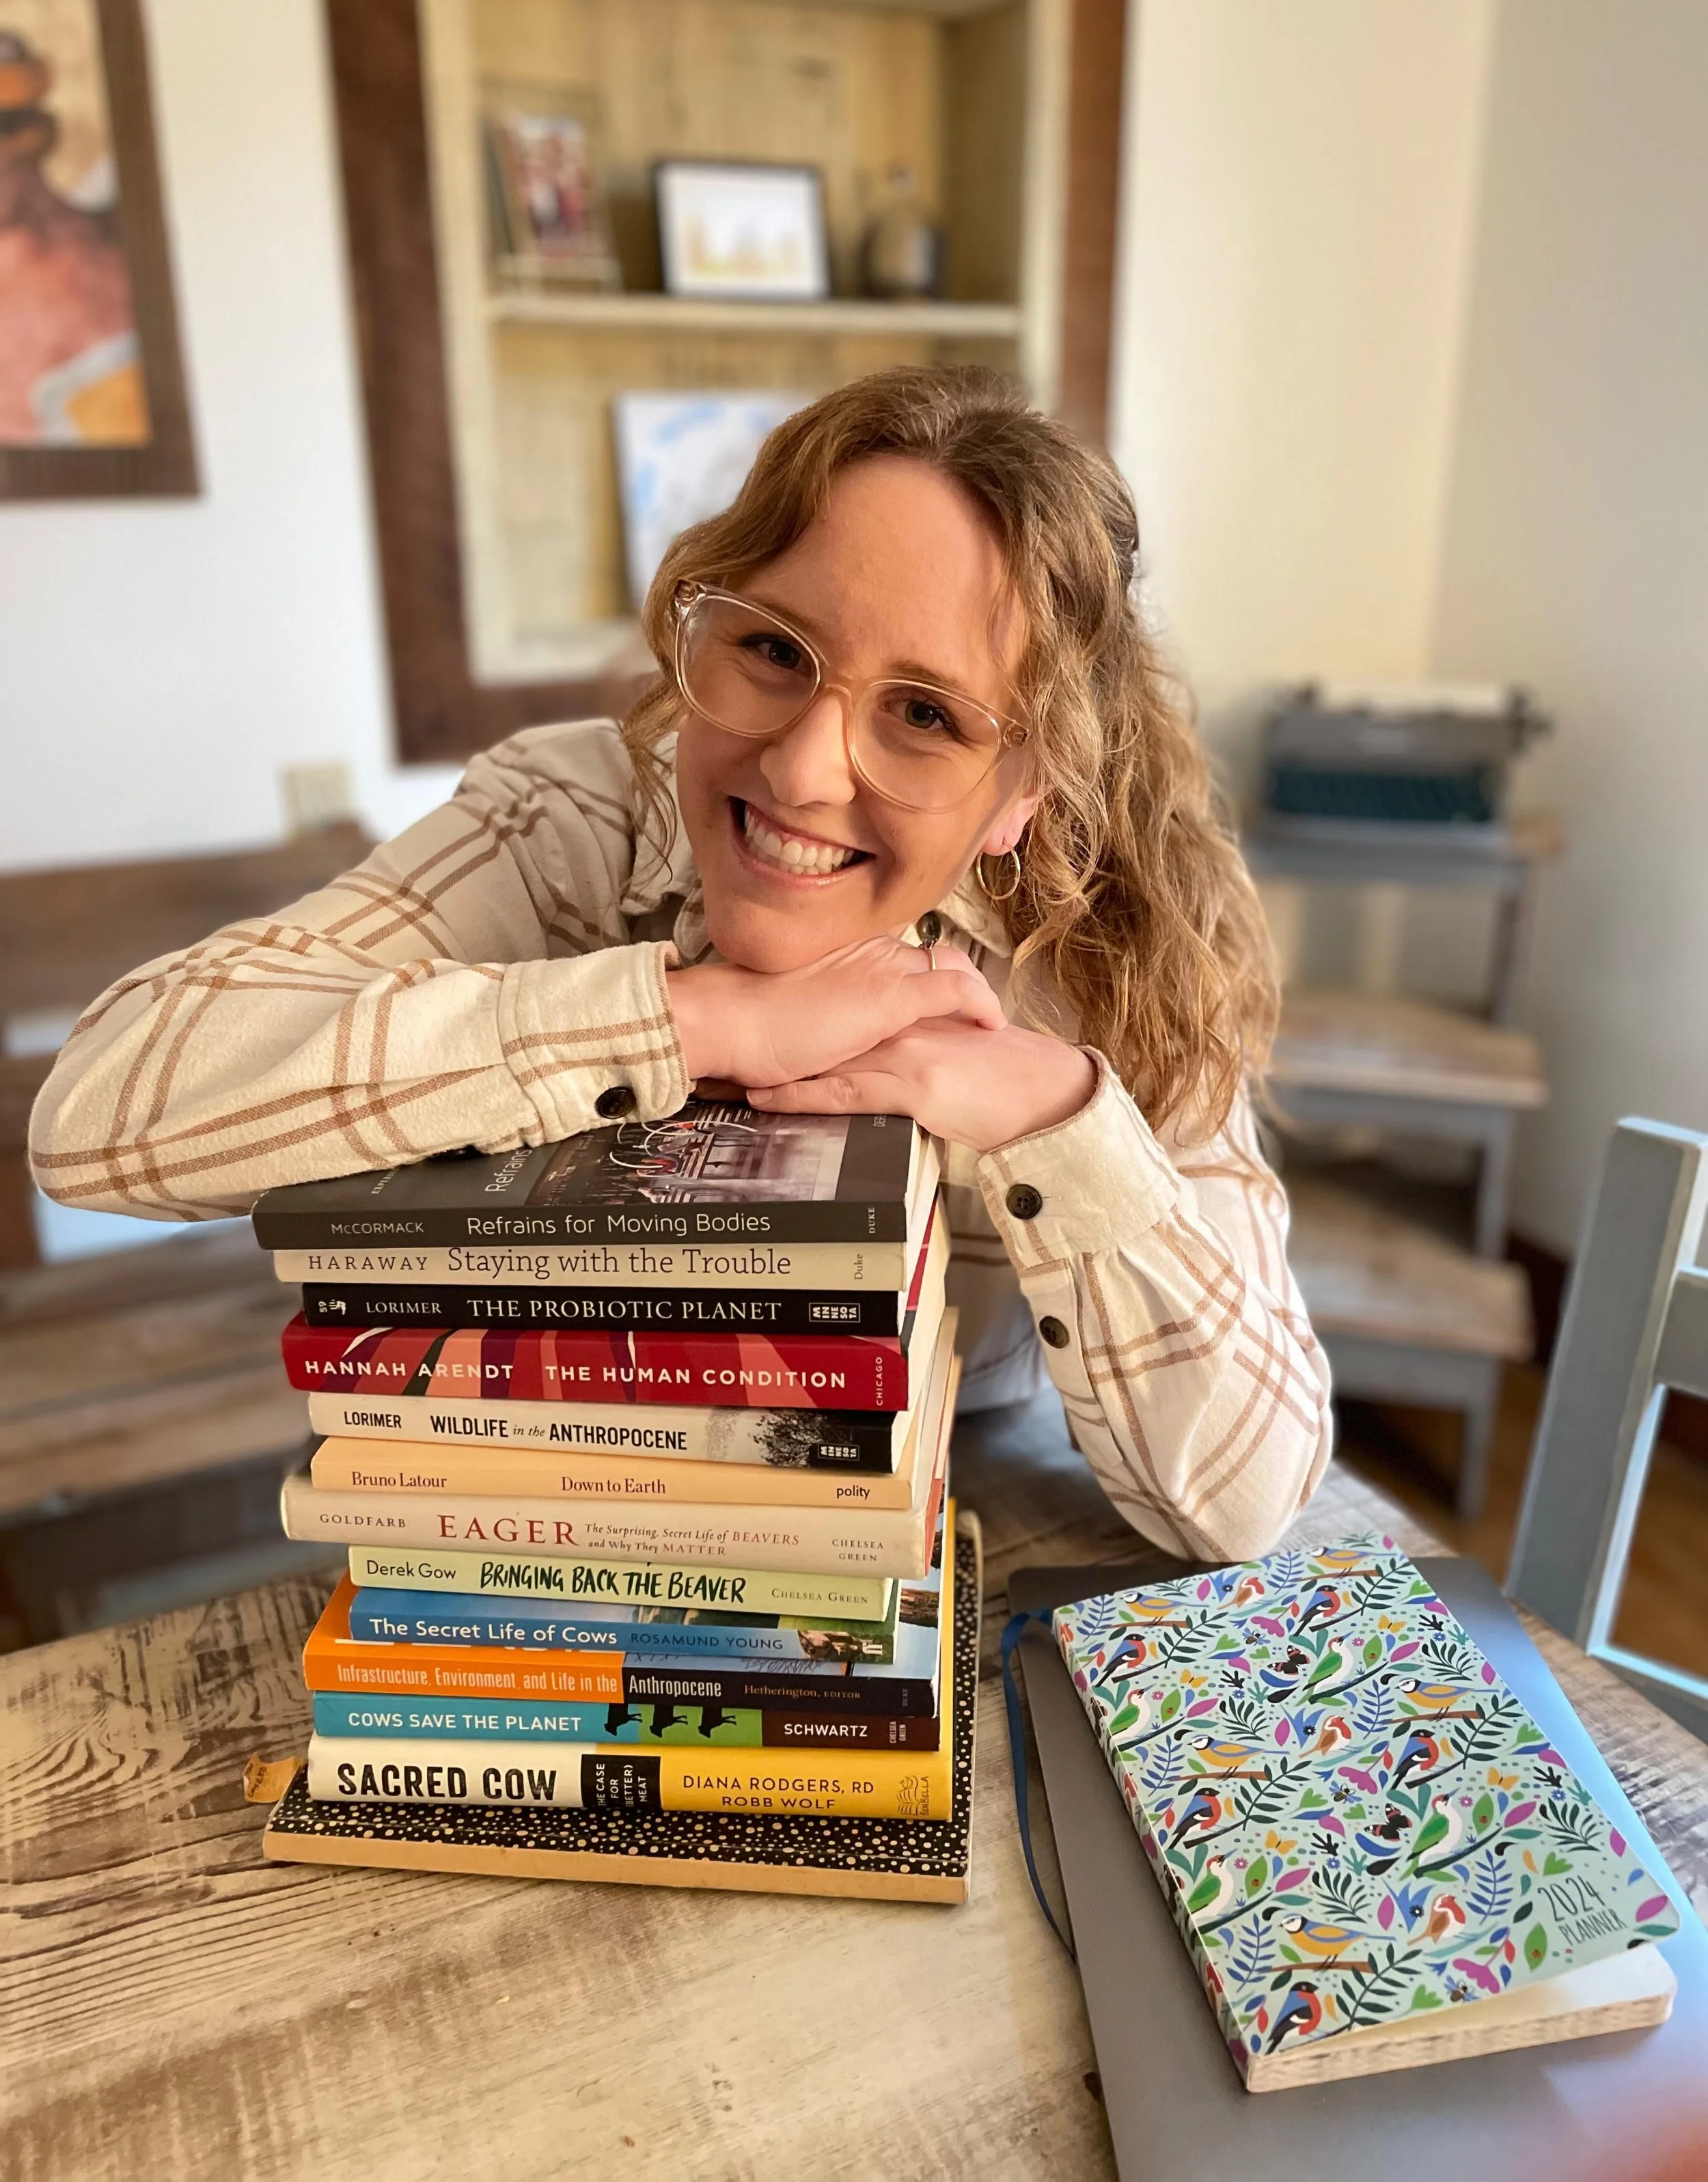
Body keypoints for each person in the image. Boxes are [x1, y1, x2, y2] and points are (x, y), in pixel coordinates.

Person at [31, 367, 1332, 1559]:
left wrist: (1057, 1120)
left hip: (955, 1539)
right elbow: (99, 1114)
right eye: (775, 650)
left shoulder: (1116, 947)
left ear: (1020, 797)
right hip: (525, 1539)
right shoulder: (575, 822)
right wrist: (684, 1021)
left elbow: (1245, 1497)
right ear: (699, 630)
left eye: (927, 715)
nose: (804, 770)